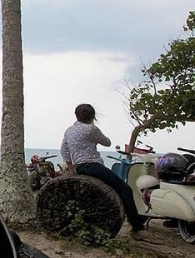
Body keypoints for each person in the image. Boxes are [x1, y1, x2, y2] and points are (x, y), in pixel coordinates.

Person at [60, 103, 157, 244]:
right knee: (125, 189)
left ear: (76, 115)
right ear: (93, 116)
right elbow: (107, 143)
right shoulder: (91, 129)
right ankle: (137, 228)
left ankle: (134, 219)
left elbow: (64, 150)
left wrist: (72, 169)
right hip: (92, 165)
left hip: (80, 166)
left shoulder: (69, 131)